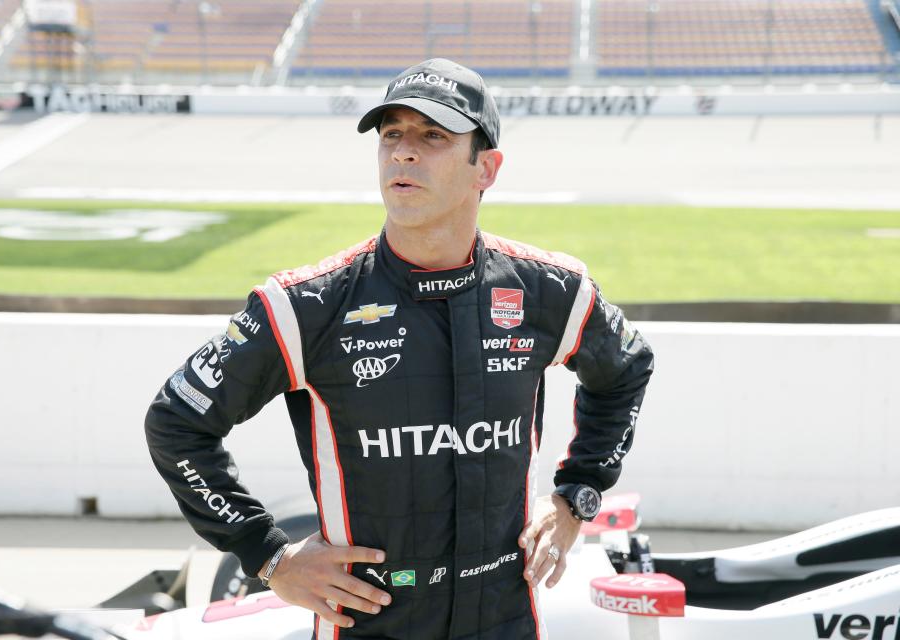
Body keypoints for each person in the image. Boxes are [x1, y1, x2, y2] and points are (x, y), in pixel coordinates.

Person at [145, 58, 654, 640]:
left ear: (486, 168)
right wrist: (267, 555)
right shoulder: (306, 305)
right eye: (392, 135)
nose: (403, 153)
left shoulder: (549, 291)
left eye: (433, 136)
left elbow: (627, 369)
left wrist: (575, 499)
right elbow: (176, 422)